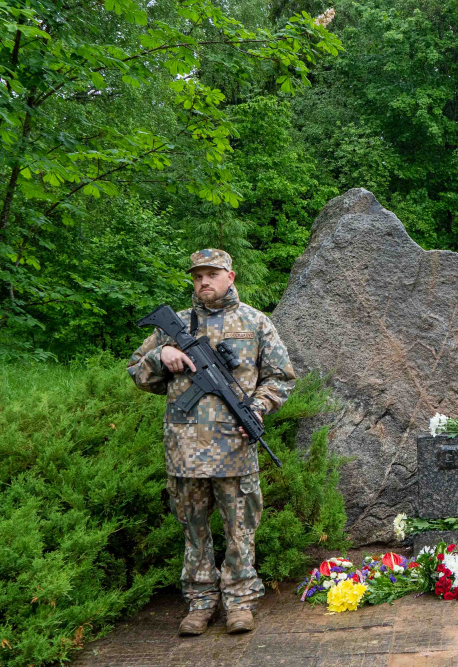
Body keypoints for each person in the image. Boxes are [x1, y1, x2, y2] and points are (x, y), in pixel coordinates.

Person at [127, 249, 297, 635]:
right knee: (194, 531)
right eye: (197, 276)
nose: (203, 282)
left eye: (211, 274)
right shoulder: (172, 327)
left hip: (234, 449)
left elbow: (282, 377)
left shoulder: (254, 322)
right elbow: (137, 372)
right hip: (184, 451)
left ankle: (239, 603)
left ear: (230, 276)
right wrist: (161, 354)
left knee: (240, 531)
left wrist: (257, 408)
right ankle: (200, 604)